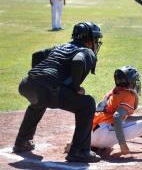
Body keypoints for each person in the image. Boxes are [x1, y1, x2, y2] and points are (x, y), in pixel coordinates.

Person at [13, 22, 103, 163]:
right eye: (95, 39)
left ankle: (22, 142)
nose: (96, 43)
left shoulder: (61, 46)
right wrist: (75, 87)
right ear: (89, 39)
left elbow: (37, 55)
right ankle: (79, 151)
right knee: (87, 103)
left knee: (39, 101)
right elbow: (78, 61)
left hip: (27, 84)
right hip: (49, 88)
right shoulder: (87, 51)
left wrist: (39, 81)